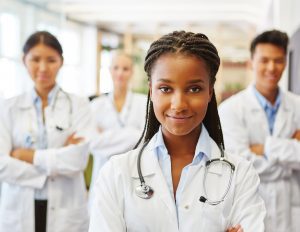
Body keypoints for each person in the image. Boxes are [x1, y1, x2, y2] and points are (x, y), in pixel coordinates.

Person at [88, 31, 266, 232]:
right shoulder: (116, 173)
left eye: (194, 89)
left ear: (210, 91)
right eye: (165, 88)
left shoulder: (240, 175)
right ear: (151, 90)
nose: (179, 104)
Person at [0, 31, 93, 232]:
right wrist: (54, 165)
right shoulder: (7, 108)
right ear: (24, 60)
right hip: (19, 210)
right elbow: (2, 164)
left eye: (51, 60)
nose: (43, 68)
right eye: (35, 59)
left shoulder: (79, 105)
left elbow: (77, 160)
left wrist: (27, 155)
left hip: (65, 212)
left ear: (61, 62)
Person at [219, 29, 300, 232]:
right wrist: (290, 154)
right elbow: (240, 164)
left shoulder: (297, 106)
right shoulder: (231, 110)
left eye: (278, 60)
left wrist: (265, 148)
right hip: (251, 207)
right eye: (264, 60)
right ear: (251, 63)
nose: (272, 67)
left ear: (285, 63)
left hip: (292, 210)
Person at [89, 51, 147, 203]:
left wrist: (106, 135)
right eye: (116, 68)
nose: (120, 73)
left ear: (132, 72)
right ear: (109, 70)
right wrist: (132, 134)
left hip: (133, 173)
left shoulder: (144, 103)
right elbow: (93, 143)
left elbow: (145, 140)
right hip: (103, 173)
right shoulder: (96, 105)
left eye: (125, 69)